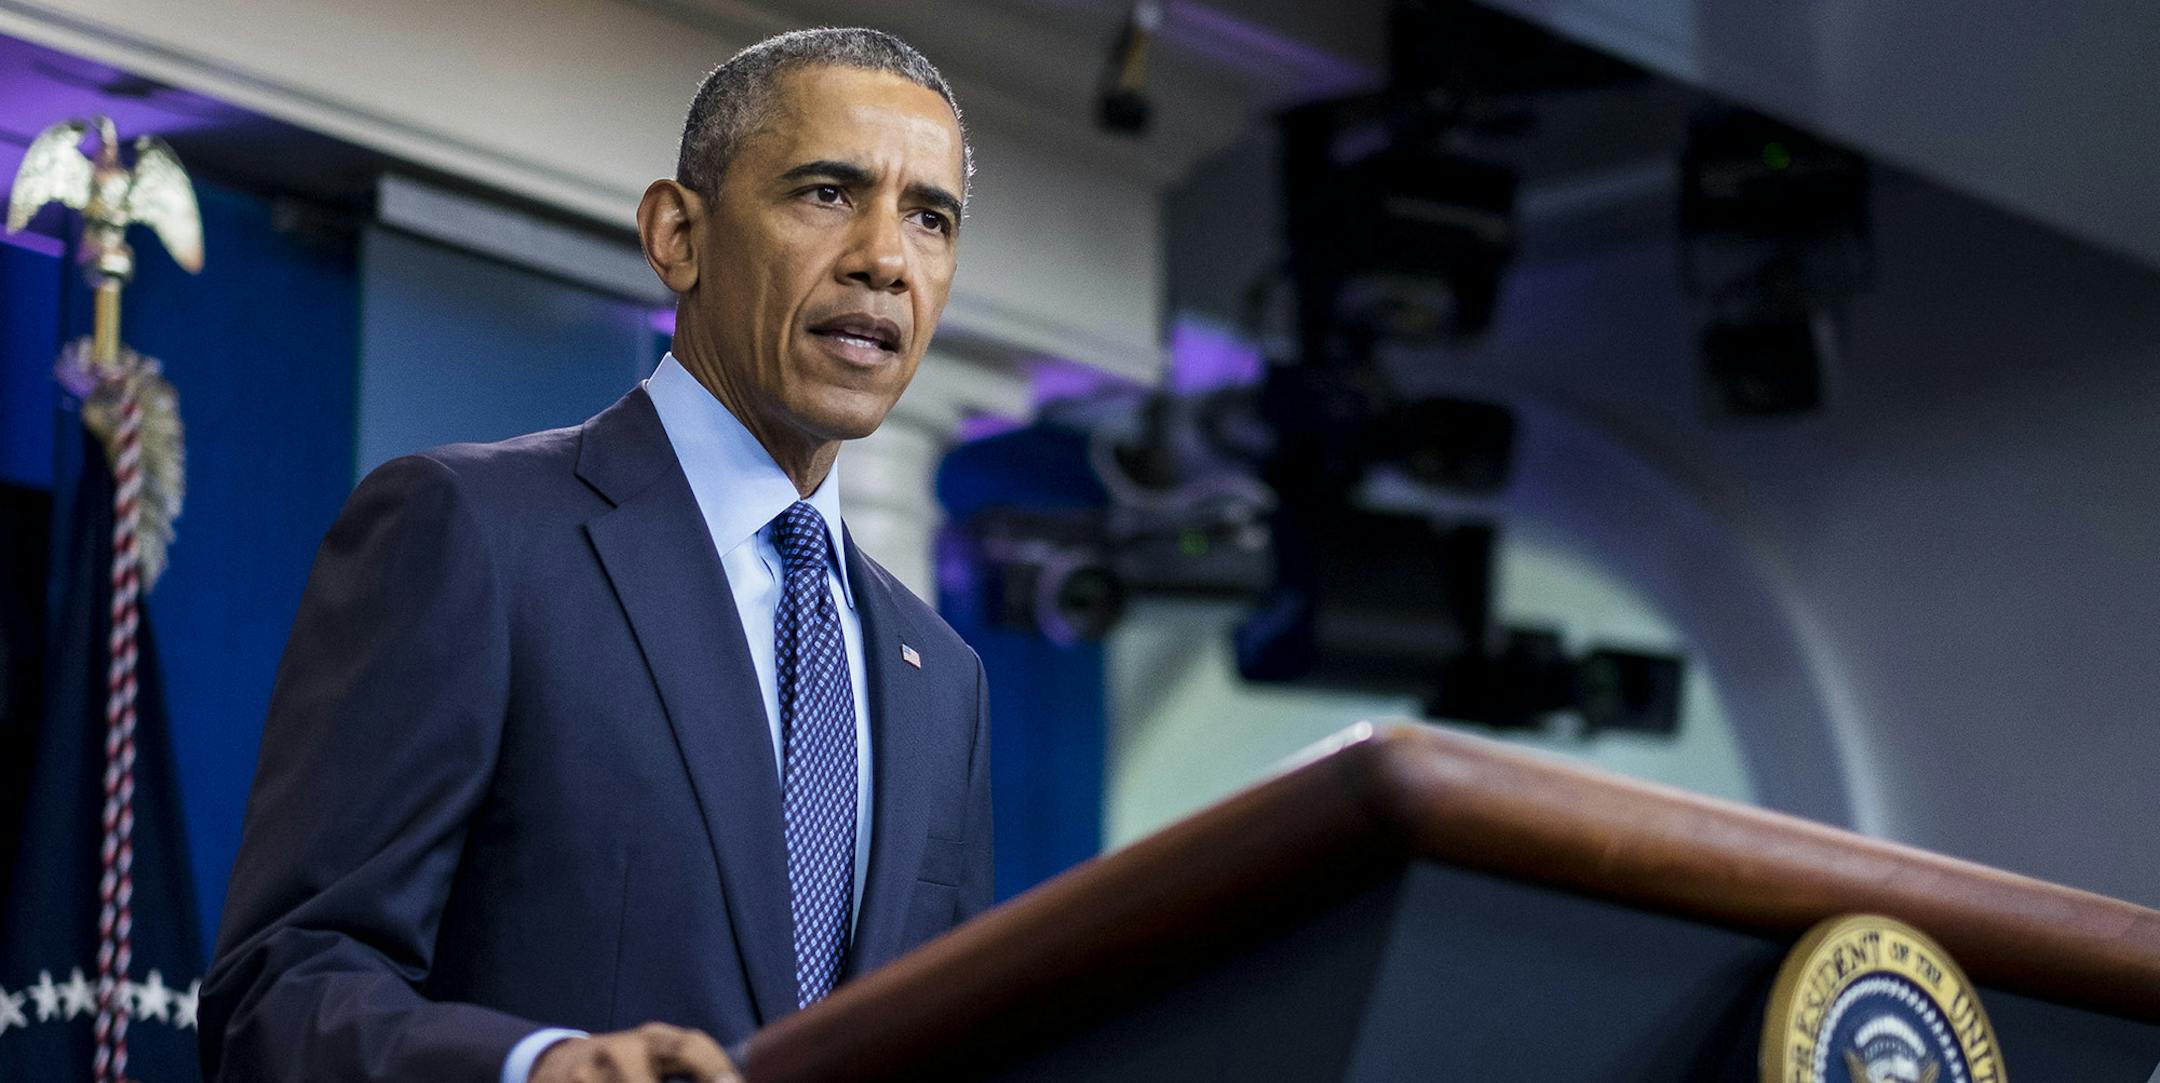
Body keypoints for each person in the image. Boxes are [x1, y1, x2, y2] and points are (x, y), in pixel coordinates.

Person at [199, 28, 989, 1083]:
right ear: (677, 236)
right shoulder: (471, 533)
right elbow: (281, 993)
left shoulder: (943, 677)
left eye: (928, 218)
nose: (885, 260)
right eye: (827, 194)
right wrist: (542, 1068)